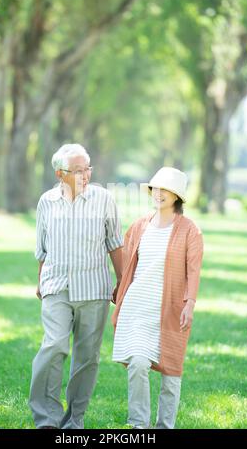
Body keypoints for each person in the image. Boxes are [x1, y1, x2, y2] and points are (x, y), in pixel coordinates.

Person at [29, 143, 123, 429]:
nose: (85, 175)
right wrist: (40, 280)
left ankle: (74, 421)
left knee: (87, 358)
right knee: (54, 345)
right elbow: (42, 249)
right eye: (79, 170)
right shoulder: (47, 201)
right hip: (57, 286)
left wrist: (123, 282)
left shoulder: (104, 199)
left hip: (93, 289)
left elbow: (115, 244)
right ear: (60, 173)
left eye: (88, 169)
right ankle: (47, 418)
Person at [111, 167, 204, 429]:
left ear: (177, 196)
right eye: (156, 188)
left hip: (171, 309)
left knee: (171, 374)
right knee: (138, 363)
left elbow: (193, 270)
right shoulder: (140, 225)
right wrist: (118, 288)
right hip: (138, 307)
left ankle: (164, 427)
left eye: (166, 190)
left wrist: (190, 303)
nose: (159, 193)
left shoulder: (190, 230)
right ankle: (140, 426)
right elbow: (127, 263)